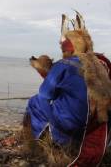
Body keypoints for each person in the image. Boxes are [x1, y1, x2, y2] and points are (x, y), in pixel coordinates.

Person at [25, 11, 111, 166]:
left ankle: (42, 142)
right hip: (92, 125)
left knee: (35, 101)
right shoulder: (102, 64)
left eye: (63, 47)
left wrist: (54, 123)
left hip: (70, 127)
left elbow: (44, 97)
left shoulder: (63, 65)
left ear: (69, 48)